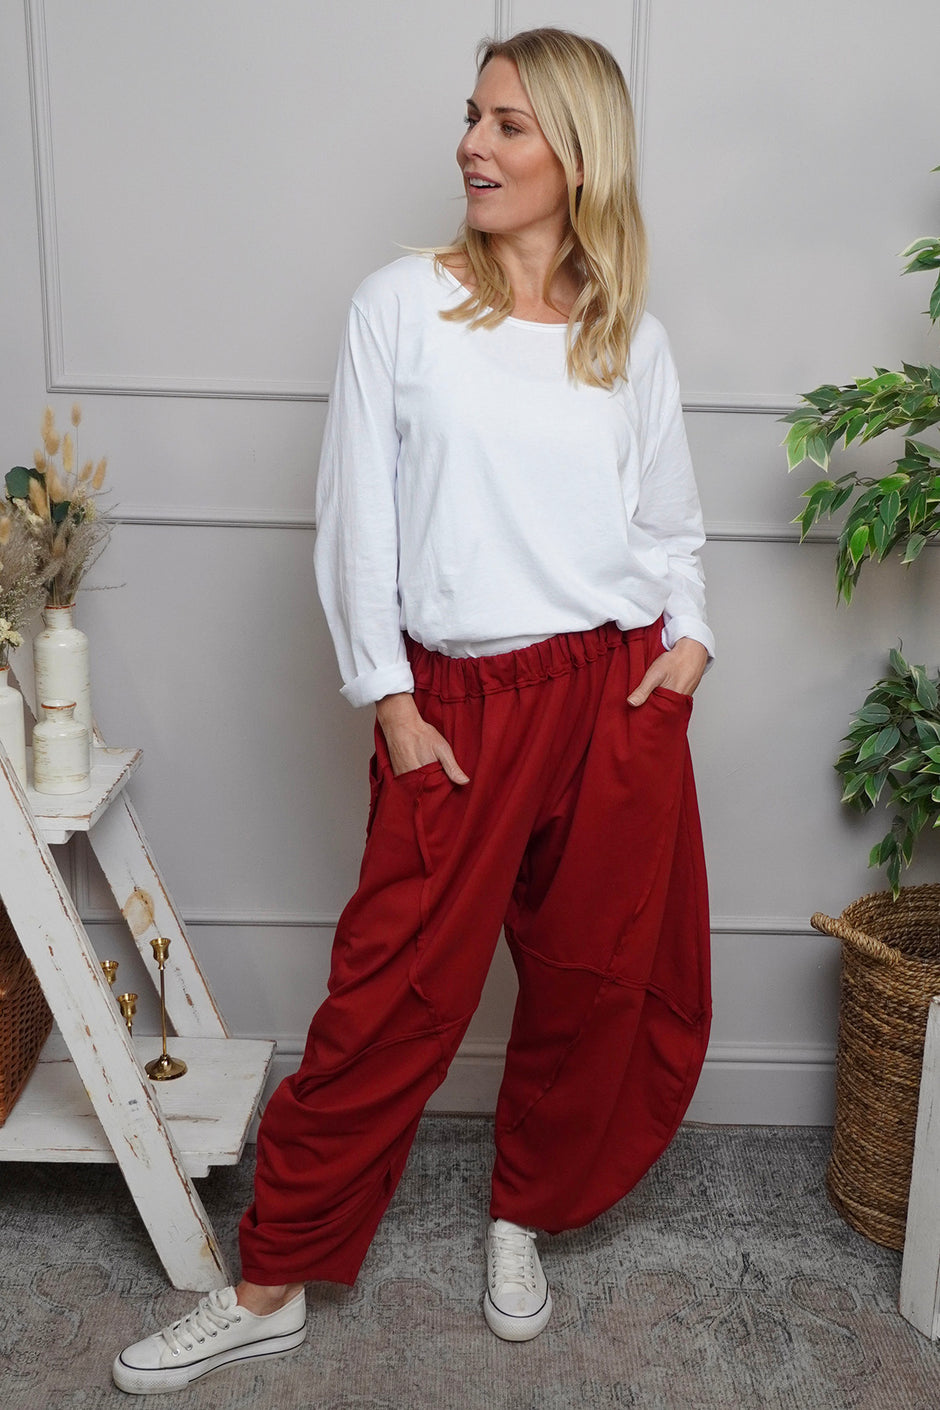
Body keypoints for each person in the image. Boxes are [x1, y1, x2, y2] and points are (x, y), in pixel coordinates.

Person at [113, 26, 713, 1395]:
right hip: (461, 703)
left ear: (578, 155)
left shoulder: (629, 337)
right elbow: (356, 523)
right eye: (472, 118)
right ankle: (268, 1283)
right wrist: (391, 699)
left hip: (613, 690)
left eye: (508, 125)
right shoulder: (402, 306)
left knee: (591, 975)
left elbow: (670, 528)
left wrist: (689, 647)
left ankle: (524, 1211)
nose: (471, 146)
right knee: (390, 997)